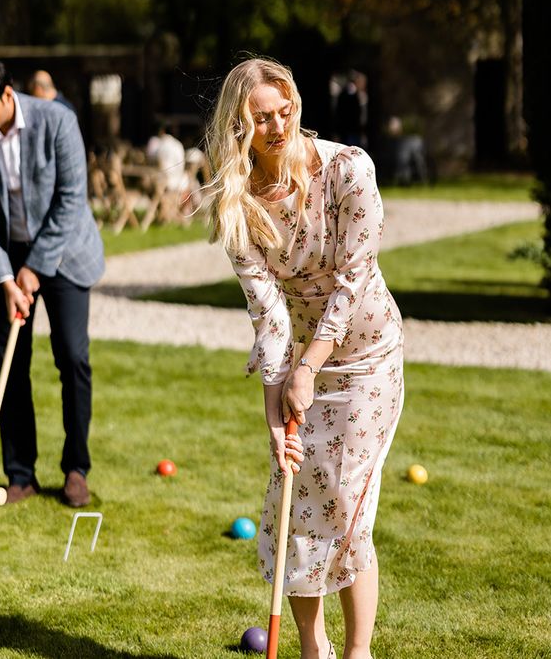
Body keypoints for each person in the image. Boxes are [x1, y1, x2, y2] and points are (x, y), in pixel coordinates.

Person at [204, 57, 404, 659]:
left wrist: (310, 367)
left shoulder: (347, 169)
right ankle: (313, 650)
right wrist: (274, 407)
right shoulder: (239, 205)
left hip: (367, 357)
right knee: (294, 503)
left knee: (345, 500)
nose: (278, 125)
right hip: (300, 366)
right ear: (239, 126)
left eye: (284, 108)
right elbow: (269, 317)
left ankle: (358, 651)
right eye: (260, 117)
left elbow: (353, 277)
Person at [0, 56, 105, 506]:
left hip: (65, 250)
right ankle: (20, 474)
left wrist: (34, 268)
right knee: (10, 362)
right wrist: (5, 276)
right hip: (4, 254)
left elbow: (71, 200)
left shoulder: (57, 120)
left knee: (72, 357)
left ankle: (76, 468)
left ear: (6, 94)